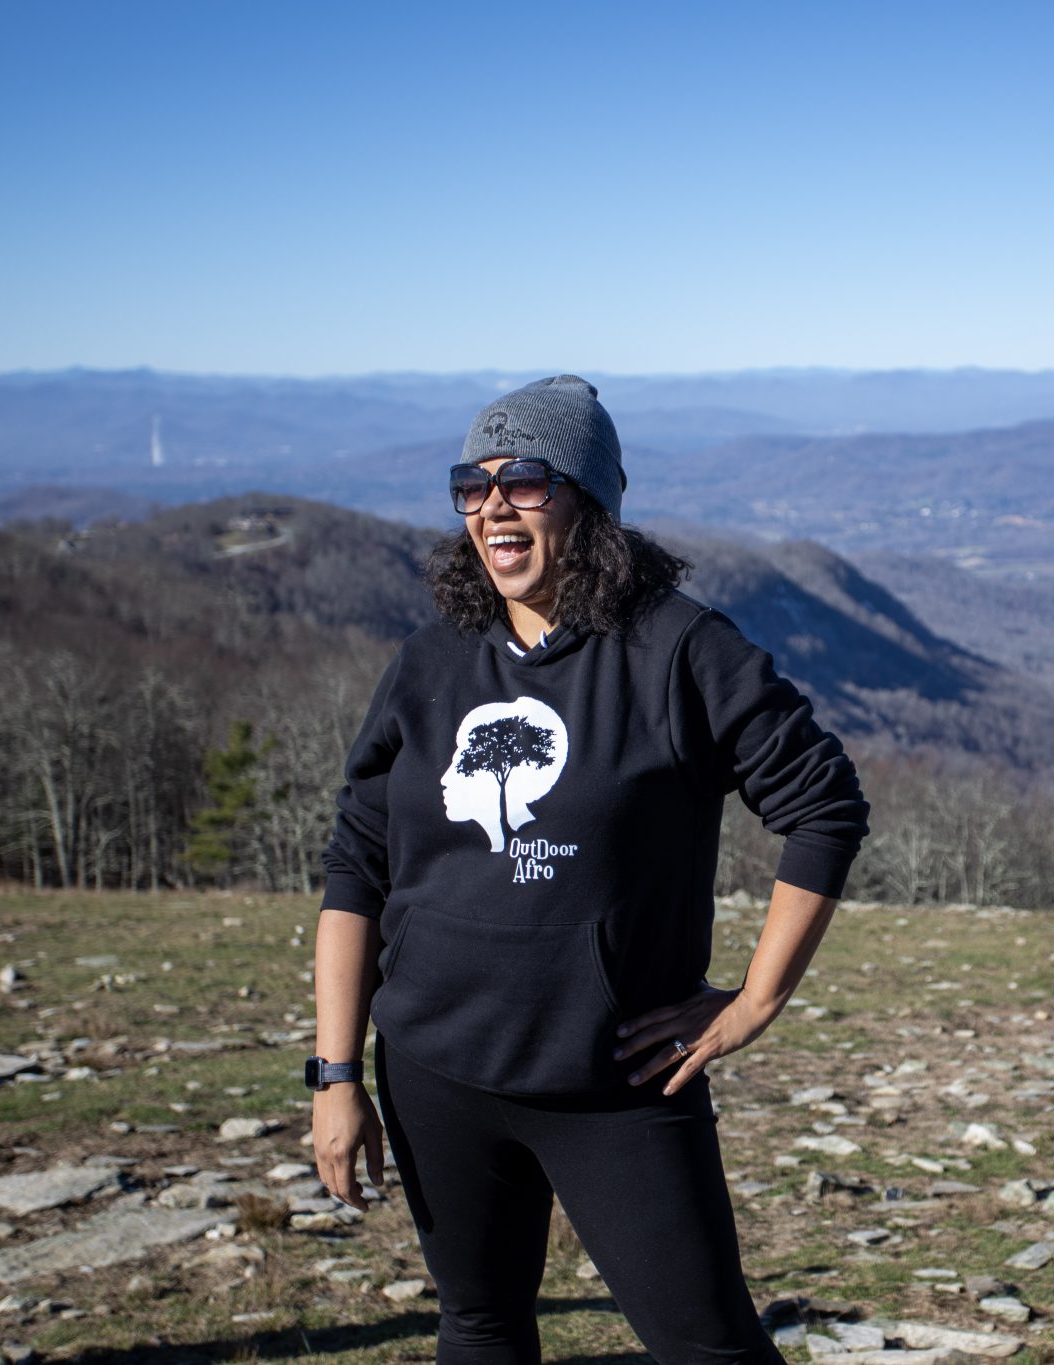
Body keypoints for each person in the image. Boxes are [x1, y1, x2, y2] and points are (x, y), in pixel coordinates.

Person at [309, 374, 870, 1365]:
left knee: (709, 1348)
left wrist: (755, 1000)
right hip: (436, 1072)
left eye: (524, 481)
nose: (493, 507)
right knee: (478, 1323)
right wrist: (336, 1073)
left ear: (591, 501)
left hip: (616, 1084)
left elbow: (822, 804)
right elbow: (357, 866)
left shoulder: (676, 650)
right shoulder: (431, 660)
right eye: (472, 486)